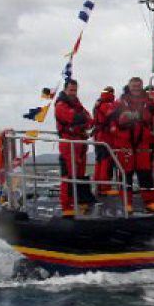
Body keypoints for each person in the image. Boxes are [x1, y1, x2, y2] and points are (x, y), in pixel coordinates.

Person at [113, 76, 154, 213]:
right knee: (126, 174)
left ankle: (149, 201)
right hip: (125, 143)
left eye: (138, 86)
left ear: (141, 87)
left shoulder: (147, 101)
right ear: (129, 86)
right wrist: (126, 117)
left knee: (145, 173)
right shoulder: (120, 102)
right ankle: (127, 204)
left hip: (143, 143)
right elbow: (113, 120)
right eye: (133, 86)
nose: (136, 88)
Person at [54, 79, 92, 217]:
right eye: (71, 90)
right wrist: (83, 120)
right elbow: (75, 118)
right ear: (65, 90)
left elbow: (88, 118)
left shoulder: (76, 103)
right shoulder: (61, 105)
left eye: (75, 90)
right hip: (68, 143)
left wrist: (83, 120)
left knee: (80, 173)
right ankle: (66, 205)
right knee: (68, 175)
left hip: (79, 142)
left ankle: (81, 200)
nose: (73, 93)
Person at [91, 86, 119, 196]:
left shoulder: (98, 104)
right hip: (105, 137)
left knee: (99, 162)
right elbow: (115, 117)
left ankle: (99, 186)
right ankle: (104, 187)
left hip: (98, 136)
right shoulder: (107, 105)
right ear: (111, 93)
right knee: (106, 162)